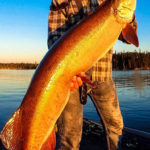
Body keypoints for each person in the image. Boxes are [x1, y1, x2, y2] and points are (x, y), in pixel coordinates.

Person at [48, 0, 137, 149]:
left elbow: (128, 37)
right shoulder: (60, 1)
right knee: (69, 137)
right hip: (71, 80)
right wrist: (70, 69)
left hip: (102, 75)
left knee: (115, 126)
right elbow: (54, 40)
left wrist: (129, 17)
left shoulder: (110, 2)